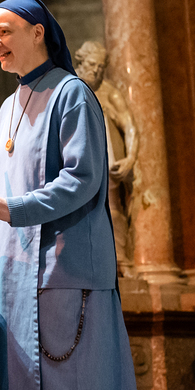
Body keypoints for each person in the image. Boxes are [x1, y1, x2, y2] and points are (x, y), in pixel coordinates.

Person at [0, 0, 145, 390]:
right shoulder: (7, 107)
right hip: (12, 278)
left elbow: (82, 178)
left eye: (4, 31)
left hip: (63, 273)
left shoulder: (72, 93)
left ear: (37, 33)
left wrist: (16, 209)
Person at [74, 40, 139, 277]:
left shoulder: (108, 92)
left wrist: (130, 157)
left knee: (113, 207)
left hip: (106, 159)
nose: (97, 71)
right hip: (75, 162)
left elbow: (129, 126)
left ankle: (121, 261)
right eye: (92, 65)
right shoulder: (68, 87)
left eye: (101, 67)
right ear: (81, 62)